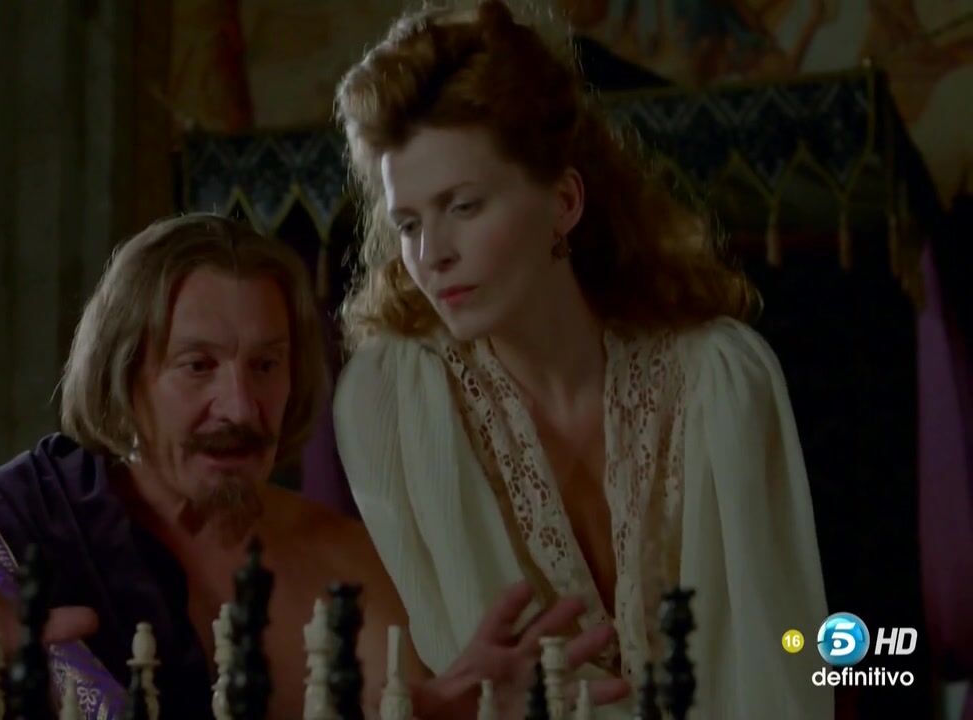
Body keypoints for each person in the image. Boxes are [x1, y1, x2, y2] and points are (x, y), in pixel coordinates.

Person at [0, 214, 620, 719]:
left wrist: (444, 712)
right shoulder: (21, 533)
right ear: (125, 378)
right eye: (197, 366)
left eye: (265, 365)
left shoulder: (346, 562)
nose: (240, 405)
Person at [330, 2, 831, 718]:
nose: (432, 254)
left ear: (563, 201)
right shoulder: (395, 401)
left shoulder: (719, 380)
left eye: (464, 207)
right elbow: (446, 670)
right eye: (408, 223)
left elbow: (779, 664)